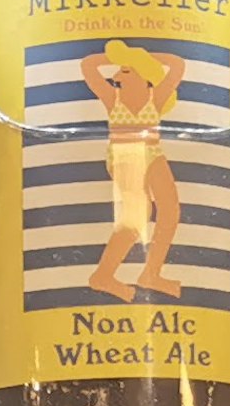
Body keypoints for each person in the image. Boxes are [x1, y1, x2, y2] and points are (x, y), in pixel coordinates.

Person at [81, 38, 190, 300]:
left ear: (144, 75)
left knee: (170, 209)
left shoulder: (157, 97)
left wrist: (139, 56)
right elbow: (88, 66)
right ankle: (102, 276)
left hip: (152, 153)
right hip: (124, 157)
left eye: (126, 71)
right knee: (135, 218)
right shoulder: (112, 99)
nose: (117, 75)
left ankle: (151, 272)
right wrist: (124, 57)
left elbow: (176, 65)